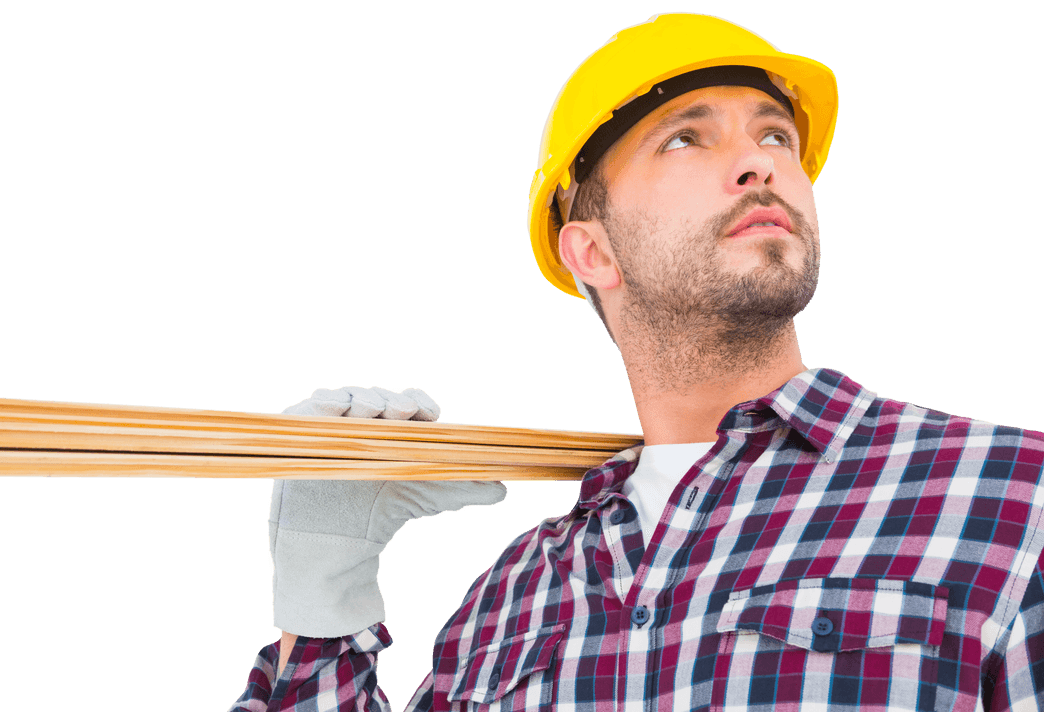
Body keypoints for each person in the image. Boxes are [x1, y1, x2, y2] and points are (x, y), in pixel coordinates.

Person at [229, 12, 1044, 711]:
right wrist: (324, 598)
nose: (761, 161)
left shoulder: (1012, 496)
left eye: (775, 134)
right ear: (592, 250)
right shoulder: (510, 603)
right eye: (686, 137)